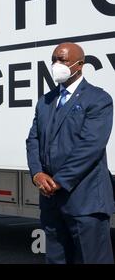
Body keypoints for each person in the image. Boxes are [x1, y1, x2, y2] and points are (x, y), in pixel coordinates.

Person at [26, 42, 114, 264]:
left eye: (62, 60)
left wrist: (59, 181)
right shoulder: (46, 101)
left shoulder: (98, 99)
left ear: (80, 65)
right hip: (51, 202)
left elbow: (90, 147)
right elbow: (33, 140)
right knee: (56, 260)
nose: (57, 64)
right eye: (54, 59)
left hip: (85, 202)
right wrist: (37, 174)